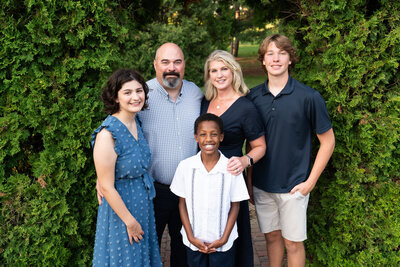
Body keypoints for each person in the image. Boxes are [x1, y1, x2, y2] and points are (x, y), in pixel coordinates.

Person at [247, 34, 336, 267]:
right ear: (263, 61)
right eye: (270, 54)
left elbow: (328, 142)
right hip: (262, 184)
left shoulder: (309, 97)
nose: (276, 58)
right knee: (272, 238)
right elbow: (251, 143)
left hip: (294, 186)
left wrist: (310, 183)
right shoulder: (253, 97)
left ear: (290, 60)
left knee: (293, 244)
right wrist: (249, 181)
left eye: (282, 53)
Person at [139, 43, 203, 266]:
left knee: (183, 249)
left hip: (188, 191)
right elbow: (119, 131)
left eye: (177, 62)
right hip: (153, 190)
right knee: (148, 250)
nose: (171, 68)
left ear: (184, 65)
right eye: (165, 62)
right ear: (155, 64)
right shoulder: (141, 95)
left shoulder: (197, 94)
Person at [201, 50, 266, 267]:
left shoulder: (246, 107)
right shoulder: (205, 102)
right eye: (213, 70)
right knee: (203, 235)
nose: (219, 75)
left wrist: (244, 160)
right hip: (203, 181)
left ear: (234, 71)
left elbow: (259, 146)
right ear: (209, 75)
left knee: (231, 239)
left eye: (224, 69)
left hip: (229, 182)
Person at [91, 69, 162, 267]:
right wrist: (129, 222)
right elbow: (106, 187)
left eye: (139, 91)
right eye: (127, 92)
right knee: (125, 259)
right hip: (121, 211)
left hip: (142, 203)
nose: (135, 97)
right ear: (115, 97)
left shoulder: (136, 121)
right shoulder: (107, 134)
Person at [170, 113, 250, 267]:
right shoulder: (185, 167)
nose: (208, 139)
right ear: (196, 137)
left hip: (222, 241)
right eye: (203, 135)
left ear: (221, 137)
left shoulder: (232, 169)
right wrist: (190, 236)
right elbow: (182, 204)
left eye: (214, 134)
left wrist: (224, 238)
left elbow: (235, 206)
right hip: (194, 240)